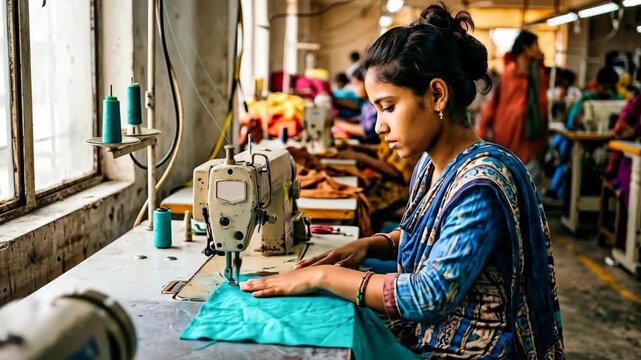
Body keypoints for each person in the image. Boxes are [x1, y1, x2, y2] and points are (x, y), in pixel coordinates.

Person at [240, 3, 564, 358]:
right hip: (435, 334)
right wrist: (374, 244)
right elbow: (434, 232)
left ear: (437, 95)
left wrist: (323, 277)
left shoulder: (481, 185)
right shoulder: (430, 164)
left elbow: (429, 294)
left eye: (389, 107)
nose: (379, 126)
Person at [478, 30, 548, 183]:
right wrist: (482, 129)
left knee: (528, 183)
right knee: (506, 181)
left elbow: (543, 106)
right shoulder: (509, 74)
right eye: (535, 45)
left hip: (530, 137)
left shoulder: (539, 75)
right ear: (526, 48)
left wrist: (544, 136)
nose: (539, 50)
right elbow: (494, 102)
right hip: (507, 134)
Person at [334, 66, 380, 144]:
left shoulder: (374, 106)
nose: (355, 89)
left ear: (367, 82)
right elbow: (362, 119)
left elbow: (366, 131)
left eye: (357, 84)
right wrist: (347, 121)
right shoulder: (366, 103)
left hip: (372, 145)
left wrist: (340, 124)